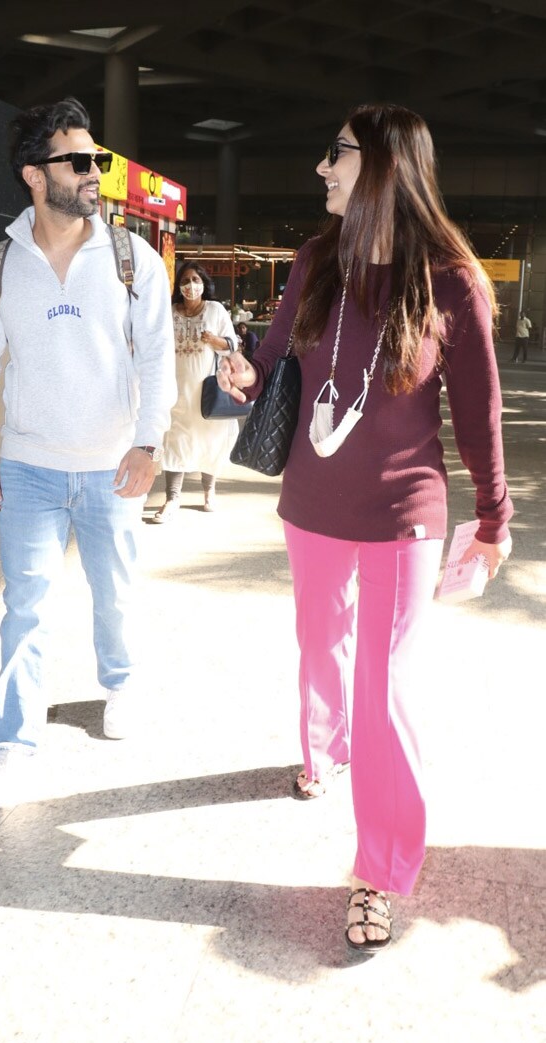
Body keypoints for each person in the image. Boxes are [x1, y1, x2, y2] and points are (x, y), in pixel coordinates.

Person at [217, 104, 513, 954]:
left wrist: (493, 519)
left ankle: (379, 869)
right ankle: (322, 748)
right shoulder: (315, 262)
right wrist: (245, 373)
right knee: (320, 641)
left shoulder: (451, 280)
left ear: (384, 166)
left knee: (385, 692)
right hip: (311, 503)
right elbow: (271, 362)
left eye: (337, 154)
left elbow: (481, 413)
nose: (322, 168)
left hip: (403, 516)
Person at [0, 97, 176, 817]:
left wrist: (148, 442)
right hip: (27, 467)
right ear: (33, 174)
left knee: (115, 596)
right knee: (26, 610)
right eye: (78, 160)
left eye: (98, 160)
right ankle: (11, 750)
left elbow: (159, 359)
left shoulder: (130, 256)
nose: (94, 173)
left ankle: (121, 683)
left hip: (112, 465)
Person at [154, 261, 239, 522]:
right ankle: (172, 498)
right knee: (173, 442)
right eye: (186, 280)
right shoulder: (169, 312)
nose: (191, 285)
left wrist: (215, 341)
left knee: (210, 440)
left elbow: (232, 344)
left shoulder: (215, 310)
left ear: (204, 283)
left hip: (206, 392)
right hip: (175, 389)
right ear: (179, 286)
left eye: (196, 280)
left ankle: (209, 492)